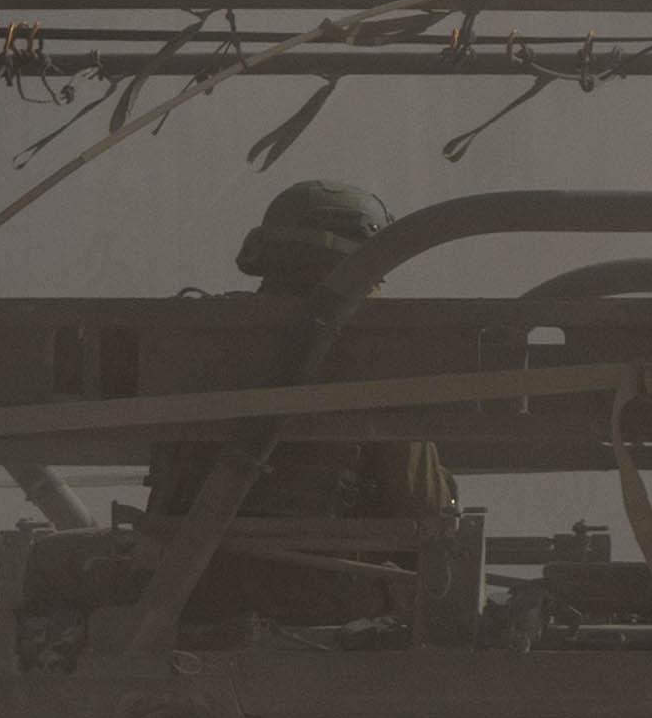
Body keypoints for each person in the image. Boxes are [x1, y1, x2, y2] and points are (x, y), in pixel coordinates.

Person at [146, 180, 451, 620]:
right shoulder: (377, 358)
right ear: (363, 265)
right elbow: (427, 510)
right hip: (329, 602)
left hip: (191, 595)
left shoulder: (200, 343)